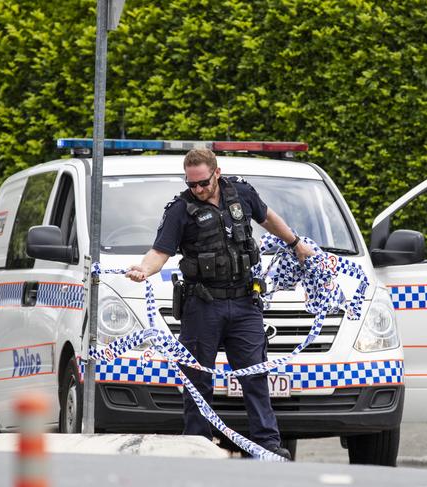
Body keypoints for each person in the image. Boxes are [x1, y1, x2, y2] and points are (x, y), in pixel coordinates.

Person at [126, 148, 314, 460]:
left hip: (244, 303)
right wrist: (144, 269)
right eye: (192, 184)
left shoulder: (241, 193)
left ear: (217, 172)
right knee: (198, 378)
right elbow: (160, 251)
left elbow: (268, 218)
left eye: (203, 183)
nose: (198, 190)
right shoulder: (179, 209)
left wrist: (296, 244)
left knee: (254, 375)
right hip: (203, 305)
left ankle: (266, 446)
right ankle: (197, 444)